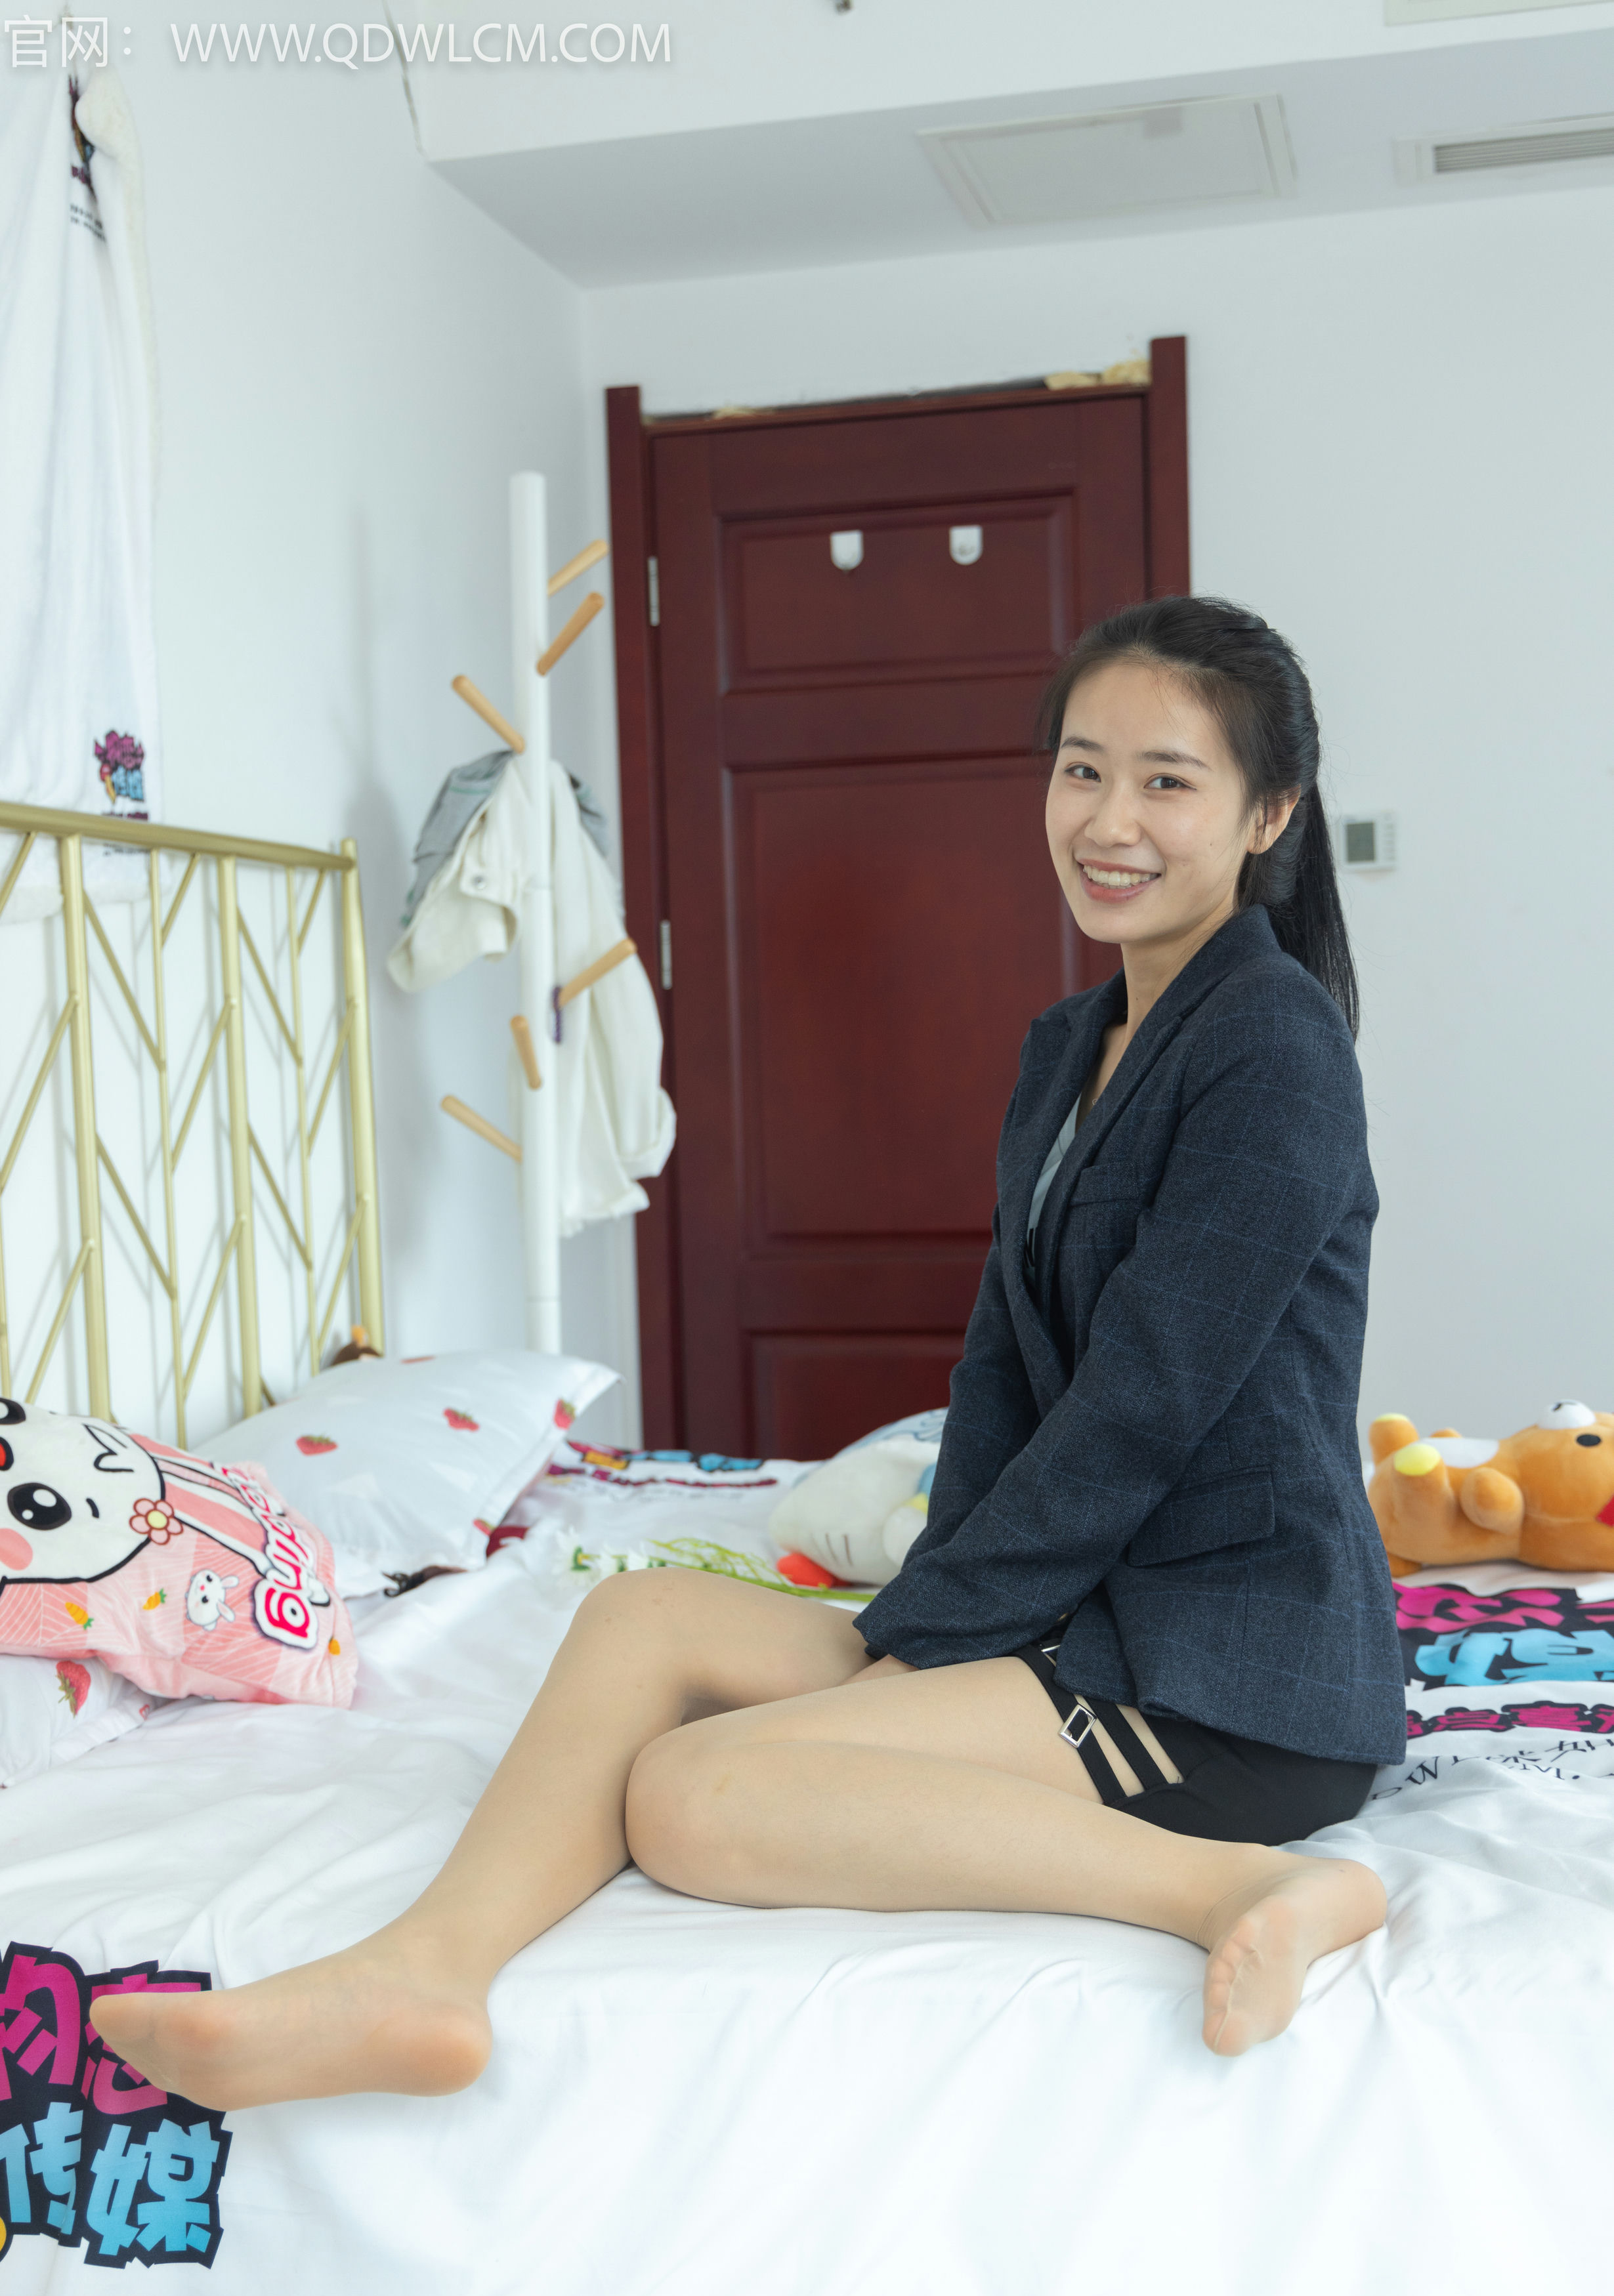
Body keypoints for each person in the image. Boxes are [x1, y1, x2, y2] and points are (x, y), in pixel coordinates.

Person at [91, 596, 1403, 2113]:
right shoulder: (1072, 1046)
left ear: (1269, 813)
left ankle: (1241, 1887)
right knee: (641, 1617)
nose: (1110, 822)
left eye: (1167, 781)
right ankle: (426, 1976)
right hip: (1085, 1613)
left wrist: (931, 1634)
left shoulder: (1274, 1044)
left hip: (1224, 1668)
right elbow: (1001, 1375)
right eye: (1082, 770)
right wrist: (929, 1621)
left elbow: (1143, 1406)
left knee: (695, 1792)